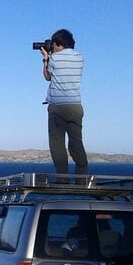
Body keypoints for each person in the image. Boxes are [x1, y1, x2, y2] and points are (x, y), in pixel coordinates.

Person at [41, 29, 88, 176]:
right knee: (76, 143)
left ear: (58, 43)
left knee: (57, 144)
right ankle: (82, 177)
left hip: (58, 107)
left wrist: (46, 58)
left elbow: (48, 76)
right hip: (75, 106)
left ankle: (62, 177)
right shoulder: (80, 57)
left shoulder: (54, 58)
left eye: (53, 45)